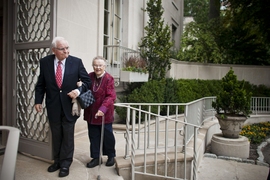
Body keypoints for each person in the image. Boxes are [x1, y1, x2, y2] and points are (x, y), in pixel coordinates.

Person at [34, 37, 91, 177]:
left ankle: (66, 164)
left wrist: (77, 91)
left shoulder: (76, 62)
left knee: (68, 136)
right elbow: (41, 84)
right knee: (56, 135)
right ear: (54, 50)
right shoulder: (45, 62)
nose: (66, 51)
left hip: (70, 107)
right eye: (62, 49)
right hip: (53, 106)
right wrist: (38, 101)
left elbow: (87, 82)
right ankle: (57, 161)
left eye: (67, 48)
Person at [84, 56, 117, 168]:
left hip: (104, 114)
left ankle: (111, 156)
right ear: (93, 66)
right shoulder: (89, 76)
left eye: (100, 65)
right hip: (91, 114)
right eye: (95, 65)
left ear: (105, 66)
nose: (97, 67)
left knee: (107, 136)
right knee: (93, 136)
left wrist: (102, 109)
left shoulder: (109, 78)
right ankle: (96, 157)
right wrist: (80, 86)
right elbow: (85, 88)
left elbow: (111, 96)